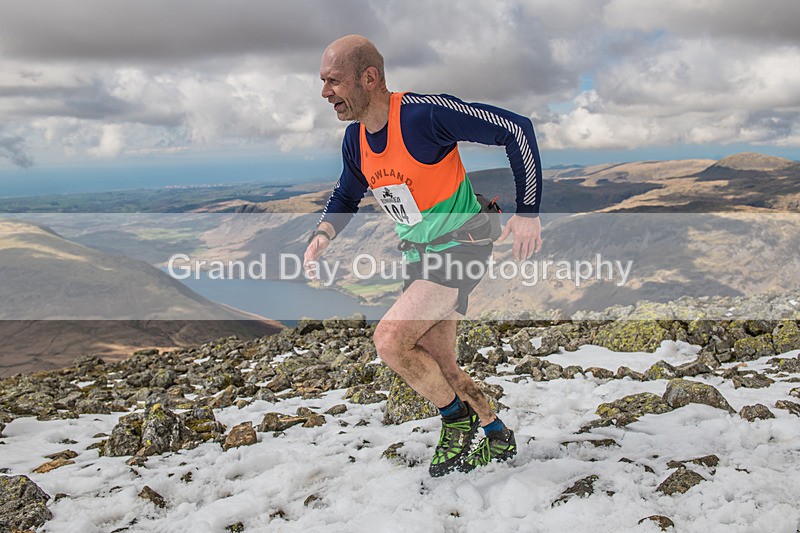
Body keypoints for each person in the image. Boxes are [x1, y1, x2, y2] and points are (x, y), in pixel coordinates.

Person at [304, 35, 542, 476]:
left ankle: (456, 422)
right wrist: (323, 234)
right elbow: (347, 191)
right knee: (440, 363)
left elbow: (517, 129)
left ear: (369, 78)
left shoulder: (423, 115)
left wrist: (529, 213)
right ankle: (495, 433)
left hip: (464, 243)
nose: (325, 93)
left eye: (333, 81)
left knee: (391, 340)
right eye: (323, 82)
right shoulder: (356, 141)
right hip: (421, 254)